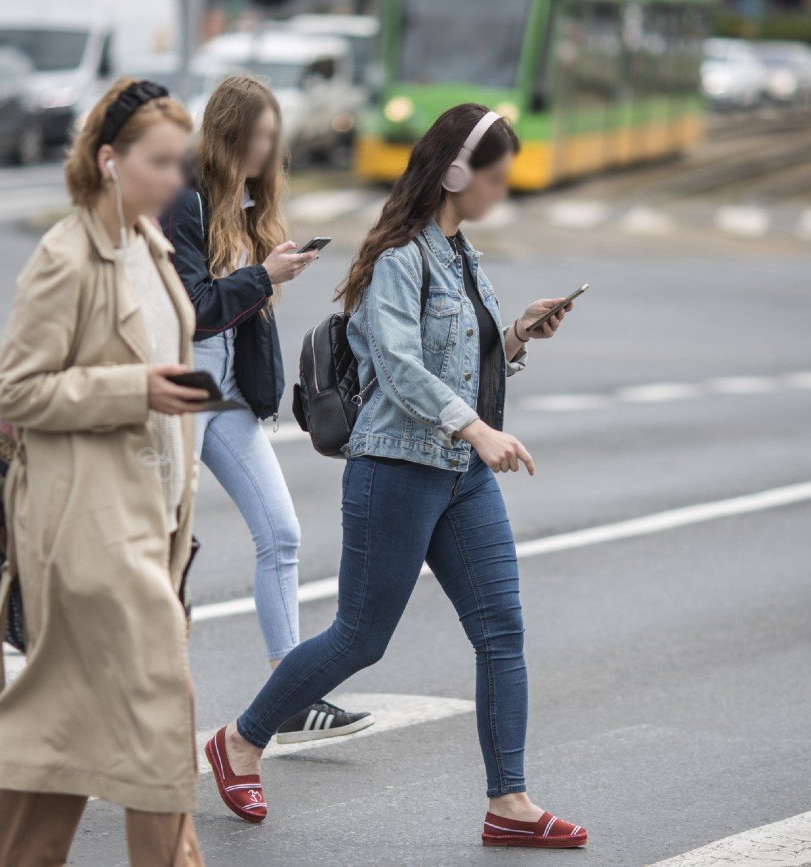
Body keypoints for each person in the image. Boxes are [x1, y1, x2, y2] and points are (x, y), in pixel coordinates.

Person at [203, 104, 590, 849]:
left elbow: (456, 359)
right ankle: (241, 741)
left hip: (460, 475)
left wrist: (513, 334)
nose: (500, 192)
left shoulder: (463, 255)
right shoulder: (399, 257)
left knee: (501, 631)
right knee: (359, 637)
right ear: (453, 174)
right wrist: (478, 427)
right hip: (396, 470)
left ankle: (508, 801)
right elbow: (402, 369)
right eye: (494, 178)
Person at [0, 79, 205, 866]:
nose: (174, 180)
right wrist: (136, 389)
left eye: (178, 163)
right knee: (158, 722)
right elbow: (18, 391)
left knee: (65, 731)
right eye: (159, 162)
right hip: (85, 531)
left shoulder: (150, 248)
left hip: (146, 522)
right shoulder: (67, 255)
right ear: (107, 160)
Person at [161, 75, 372, 743]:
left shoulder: (247, 203)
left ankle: (288, 692)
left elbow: (242, 309)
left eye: (271, 140)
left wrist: (270, 274)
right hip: (180, 394)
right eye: (255, 138)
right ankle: (125, 697)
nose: (264, 151)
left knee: (281, 533)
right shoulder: (184, 200)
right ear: (225, 134)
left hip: (229, 398)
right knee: (161, 550)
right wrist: (264, 276)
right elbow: (191, 311)